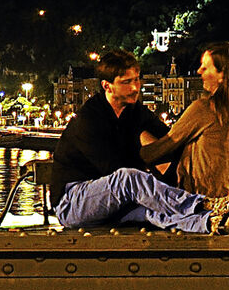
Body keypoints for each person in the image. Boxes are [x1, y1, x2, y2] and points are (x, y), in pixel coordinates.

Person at [48, 50, 212, 232]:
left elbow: (169, 141)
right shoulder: (89, 119)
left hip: (115, 200)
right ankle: (201, 205)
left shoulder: (136, 112)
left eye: (136, 79)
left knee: (152, 212)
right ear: (107, 86)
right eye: (126, 82)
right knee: (128, 179)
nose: (135, 87)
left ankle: (209, 222)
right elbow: (113, 170)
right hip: (72, 202)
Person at [140, 41, 229, 229]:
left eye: (205, 67)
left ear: (222, 74)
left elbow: (157, 151)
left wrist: (132, 149)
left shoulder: (205, 108)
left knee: (130, 177)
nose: (199, 71)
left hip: (198, 205)